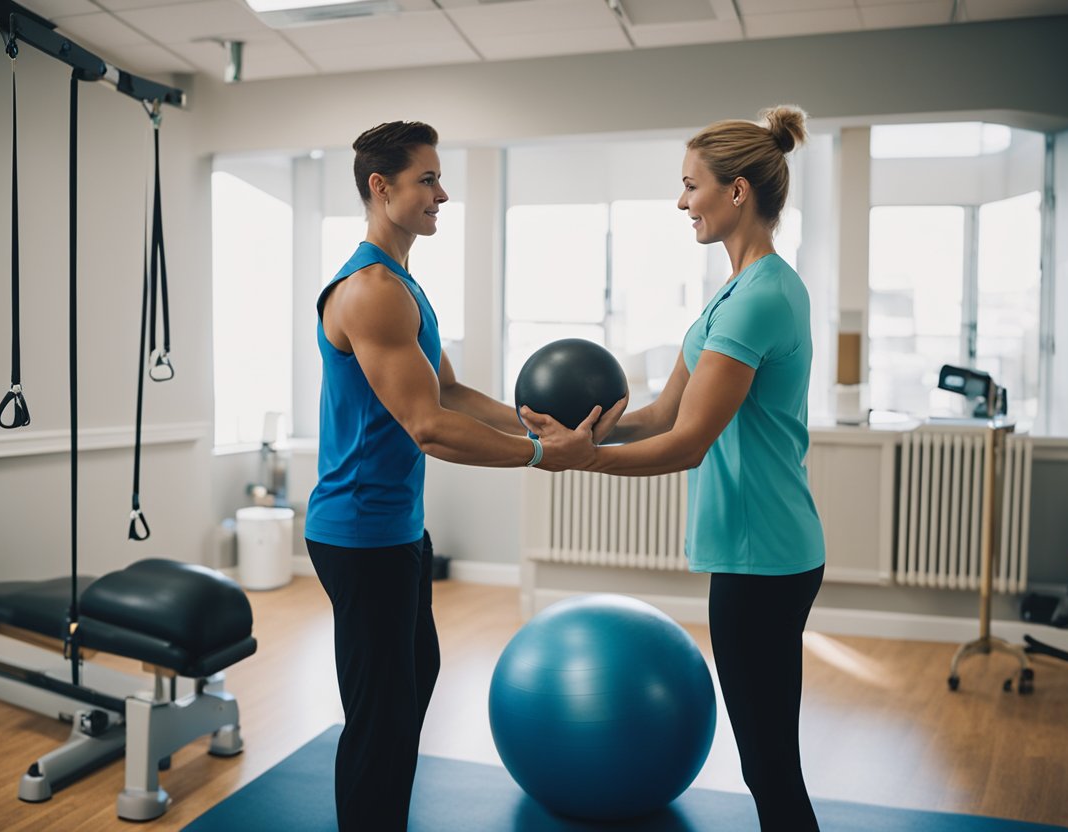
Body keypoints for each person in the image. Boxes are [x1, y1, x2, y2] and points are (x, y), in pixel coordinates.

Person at [304, 120, 625, 832]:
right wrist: (547, 457)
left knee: (412, 684)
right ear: (380, 187)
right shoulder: (371, 291)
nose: (442, 193)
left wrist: (535, 423)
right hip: (359, 533)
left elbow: (447, 392)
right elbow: (428, 426)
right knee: (381, 716)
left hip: (394, 529)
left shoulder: (404, 286)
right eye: (428, 179)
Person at [522, 105, 824, 832]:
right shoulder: (731, 294)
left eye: (691, 186)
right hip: (754, 549)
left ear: (738, 192)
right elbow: (660, 417)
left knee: (769, 759)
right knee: (765, 755)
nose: (681, 202)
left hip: (767, 556)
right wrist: (582, 431)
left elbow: (688, 445)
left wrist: (583, 460)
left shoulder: (761, 299)